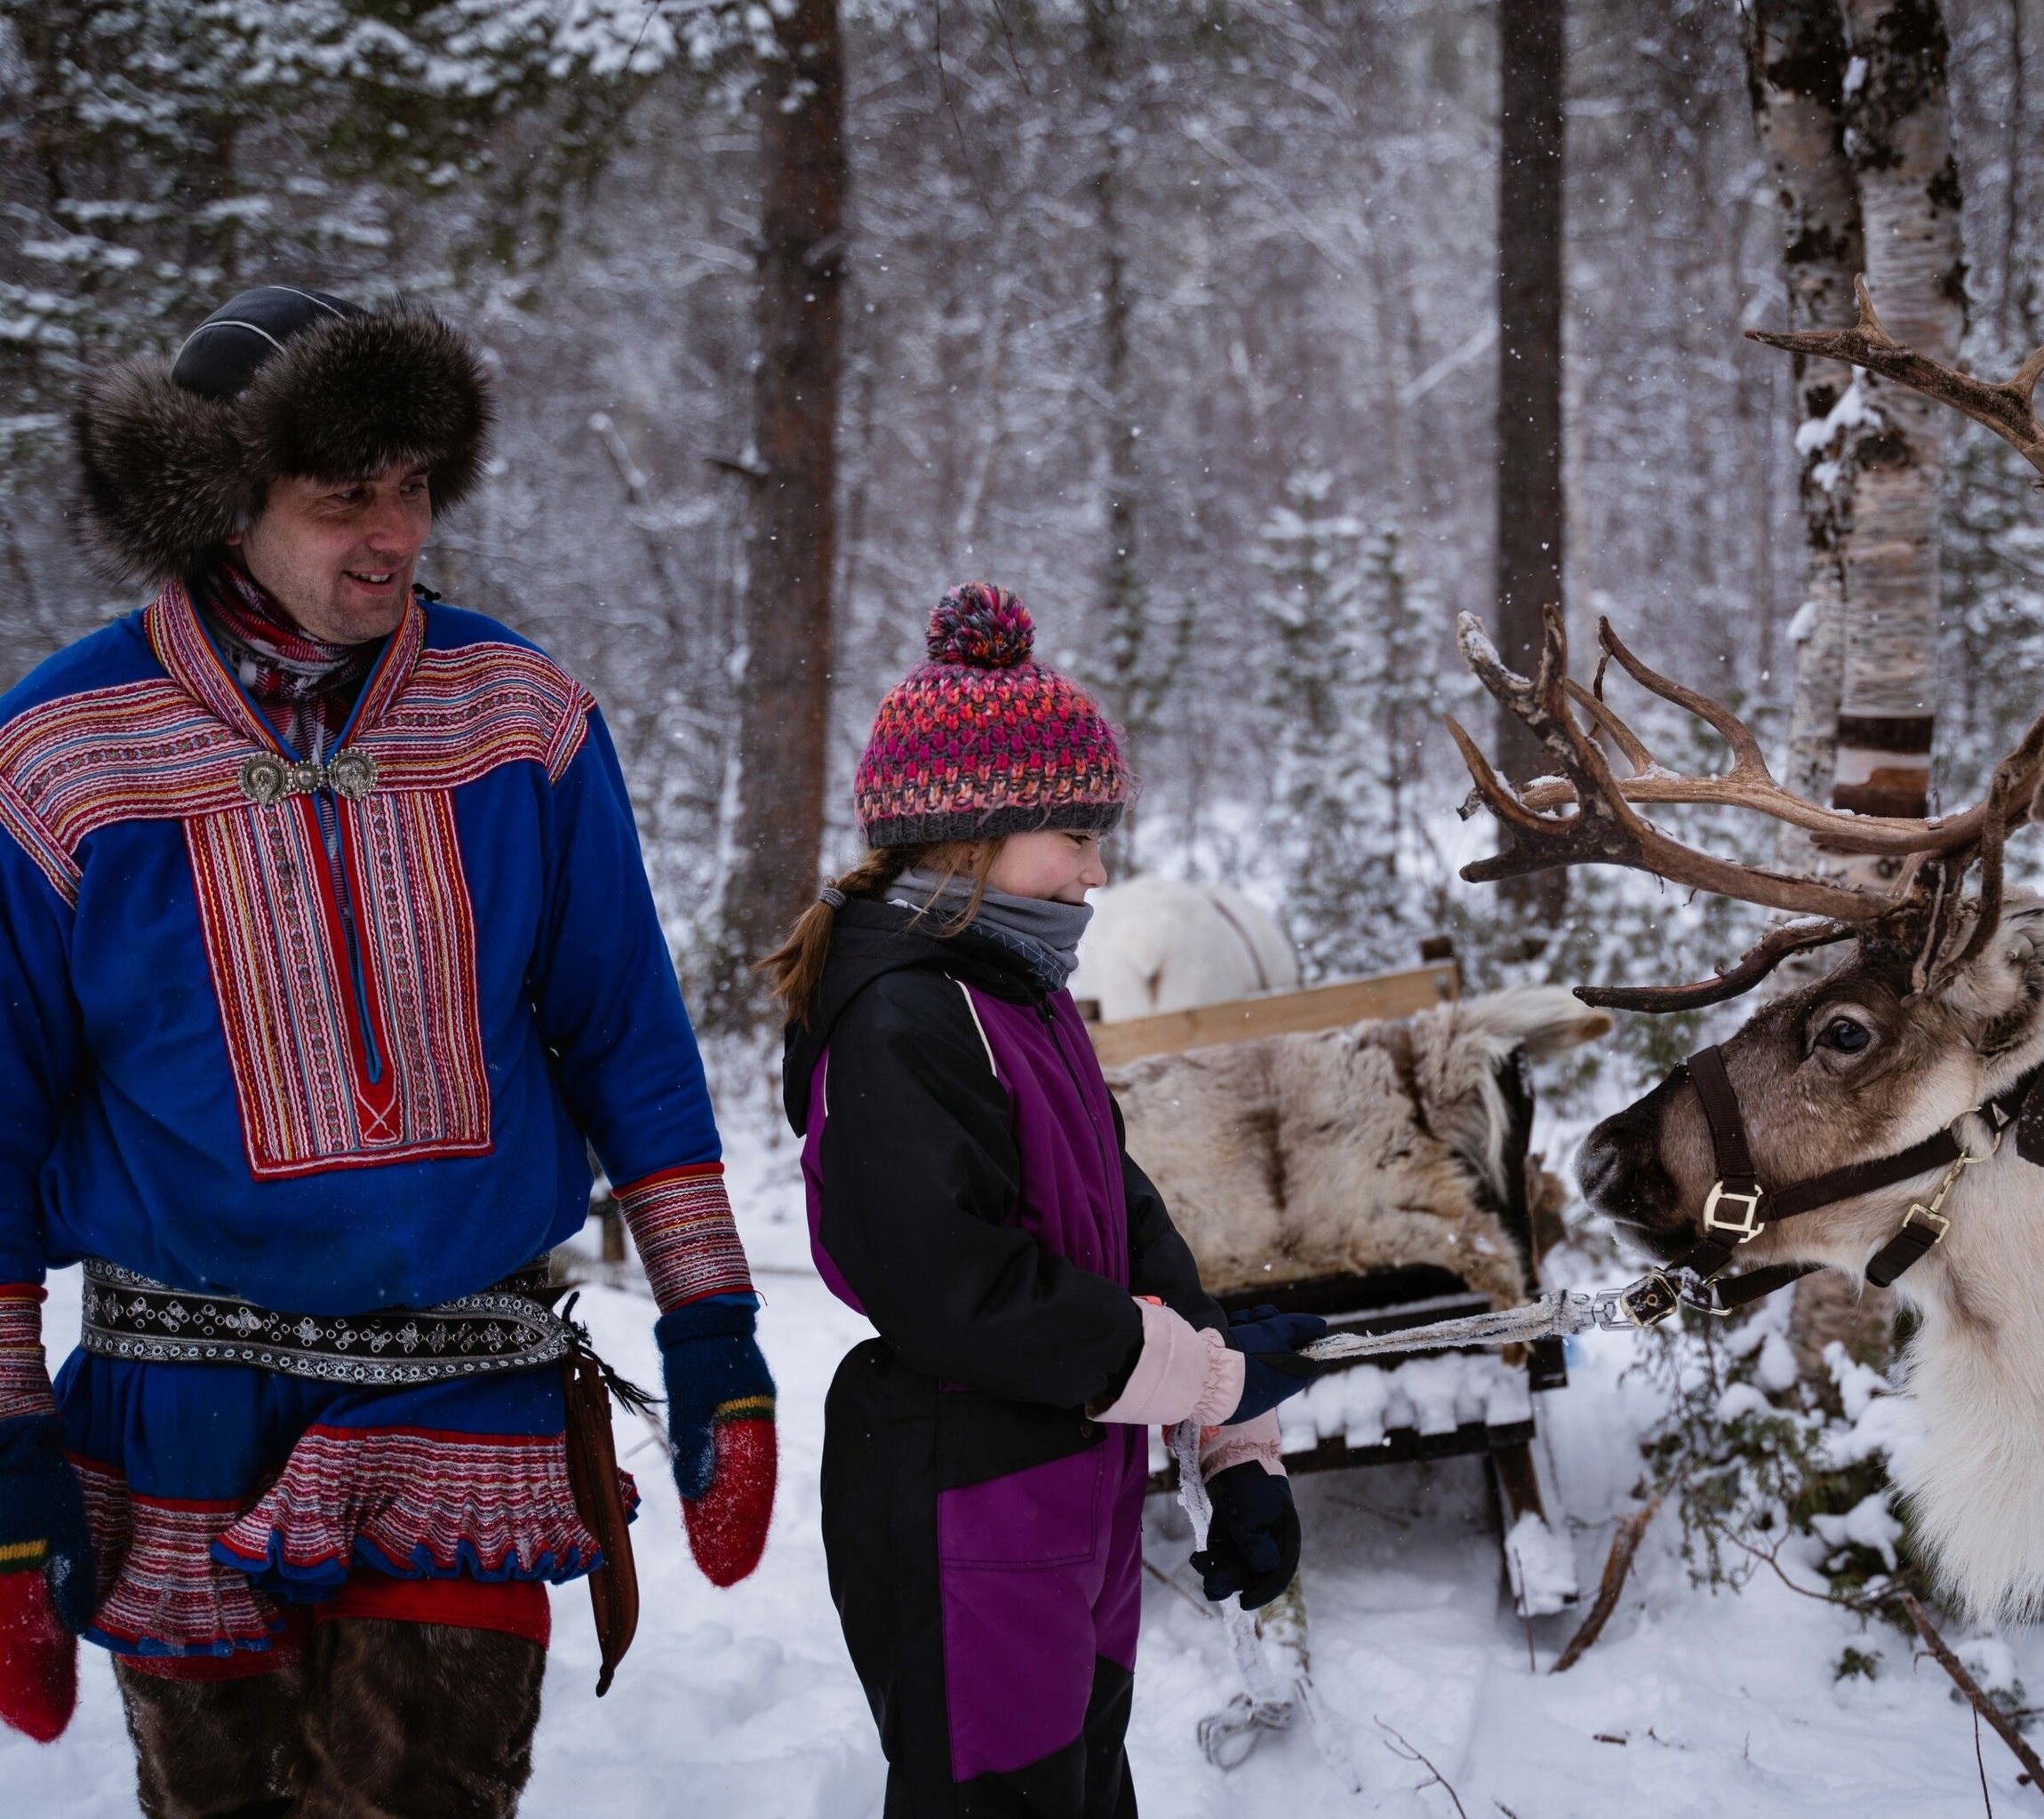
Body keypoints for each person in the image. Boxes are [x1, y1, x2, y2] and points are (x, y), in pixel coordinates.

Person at [0, 286, 776, 1815]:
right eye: (344, 494)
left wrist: (715, 1334)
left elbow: (627, 1035)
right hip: (177, 1406)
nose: (396, 531)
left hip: (460, 1389)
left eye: (415, 486)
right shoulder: (58, 754)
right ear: (225, 503)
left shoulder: (523, 717)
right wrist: (10, 1444)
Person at [770, 583, 1320, 1819]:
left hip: (1071, 1498)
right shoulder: (900, 1014)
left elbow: (1126, 1224)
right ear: (972, 834)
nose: (1096, 864)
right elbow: (956, 1290)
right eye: (1073, 830)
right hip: (966, 1500)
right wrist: (1196, 1379)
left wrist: (1234, 1448)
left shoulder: (1023, 996)